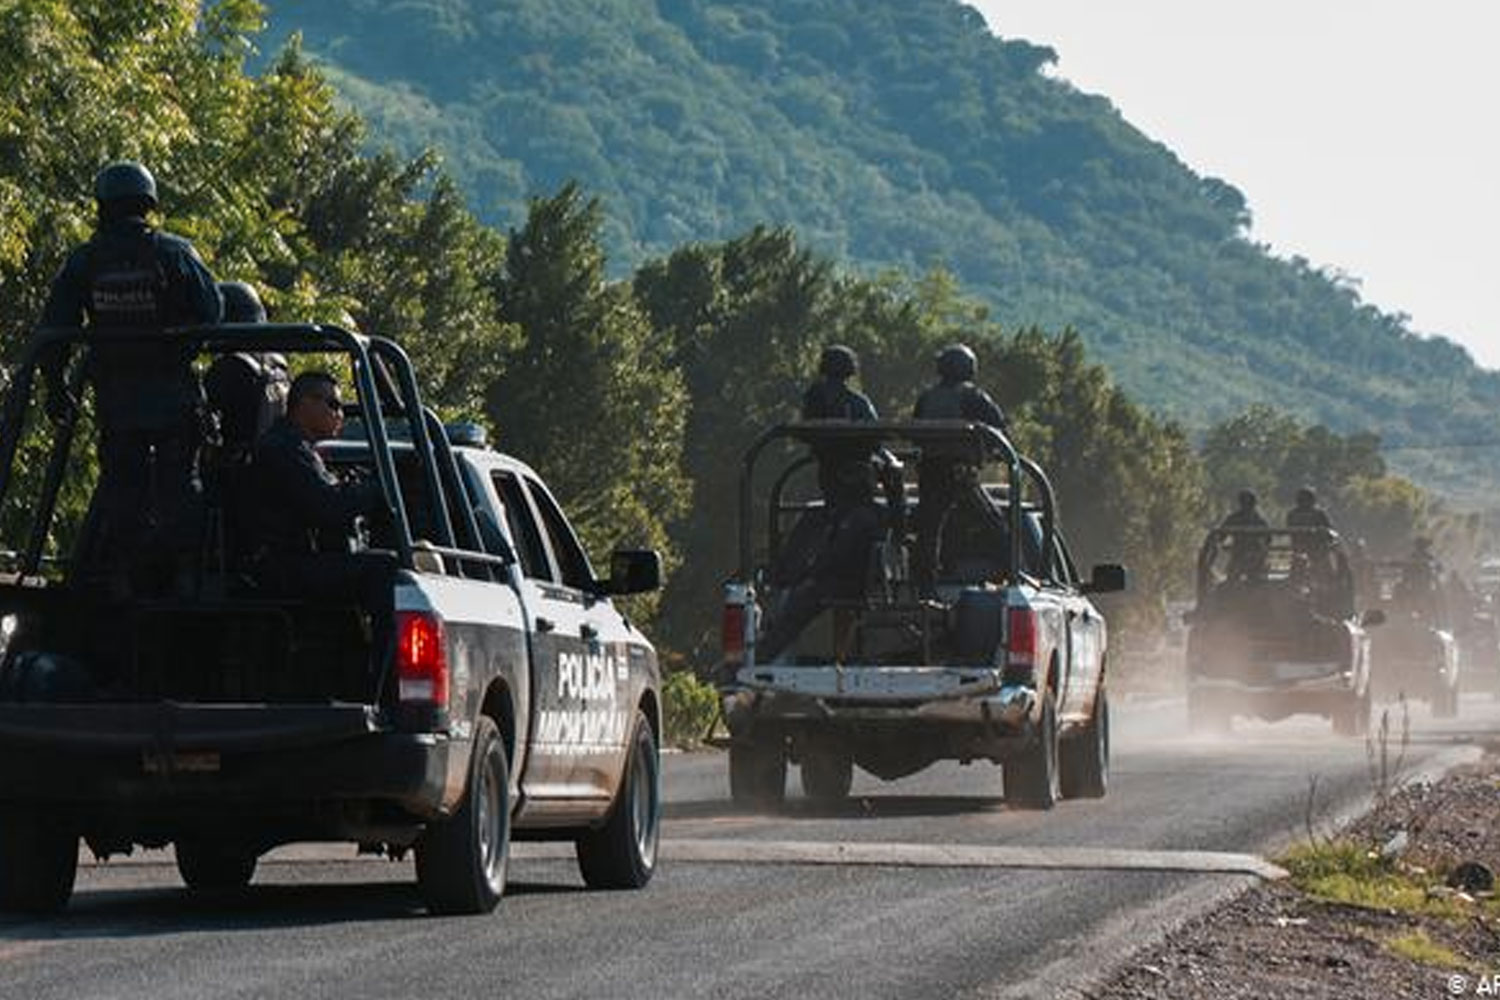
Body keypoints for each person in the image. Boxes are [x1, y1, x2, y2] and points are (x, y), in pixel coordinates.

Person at [37, 161, 223, 594]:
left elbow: (55, 326)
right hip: (173, 396)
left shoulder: (85, 262)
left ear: (103, 206)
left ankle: (123, 575)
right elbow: (212, 312)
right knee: (181, 483)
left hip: (117, 399)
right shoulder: (174, 253)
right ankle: (184, 575)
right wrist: (179, 348)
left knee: (123, 484)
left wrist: (56, 386)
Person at [245, 372, 396, 674]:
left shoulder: (298, 448)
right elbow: (327, 506)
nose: (339, 413)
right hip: (279, 565)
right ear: (304, 403)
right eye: (332, 403)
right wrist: (371, 491)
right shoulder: (284, 449)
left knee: (369, 563)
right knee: (383, 569)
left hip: (292, 559)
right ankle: (384, 677)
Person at [759, 347, 886, 661]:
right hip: (846, 522)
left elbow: (810, 433)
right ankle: (841, 657)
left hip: (832, 496)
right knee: (835, 590)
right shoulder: (858, 404)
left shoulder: (815, 400)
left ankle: (770, 648)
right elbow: (874, 436)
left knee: (810, 592)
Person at [910, 343, 1010, 594]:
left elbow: (915, 432)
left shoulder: (927, 397)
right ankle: (1013, 574)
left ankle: (925, 588)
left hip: (930, 472)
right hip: (960, 475)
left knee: (928, 531)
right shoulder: (972, 396)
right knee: (995, 523)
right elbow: (999, 429)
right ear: (969, 369)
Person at [1218, 490, 1269, 582]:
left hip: (1250, 557)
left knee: (1236, 579)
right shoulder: (1259, 520)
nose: (1246, 506)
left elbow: (1221, 536)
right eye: (1244, 503)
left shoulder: (1258, 520)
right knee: (1234, 579)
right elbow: (1221, 536)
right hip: (1242, 556)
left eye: (1248, 503)